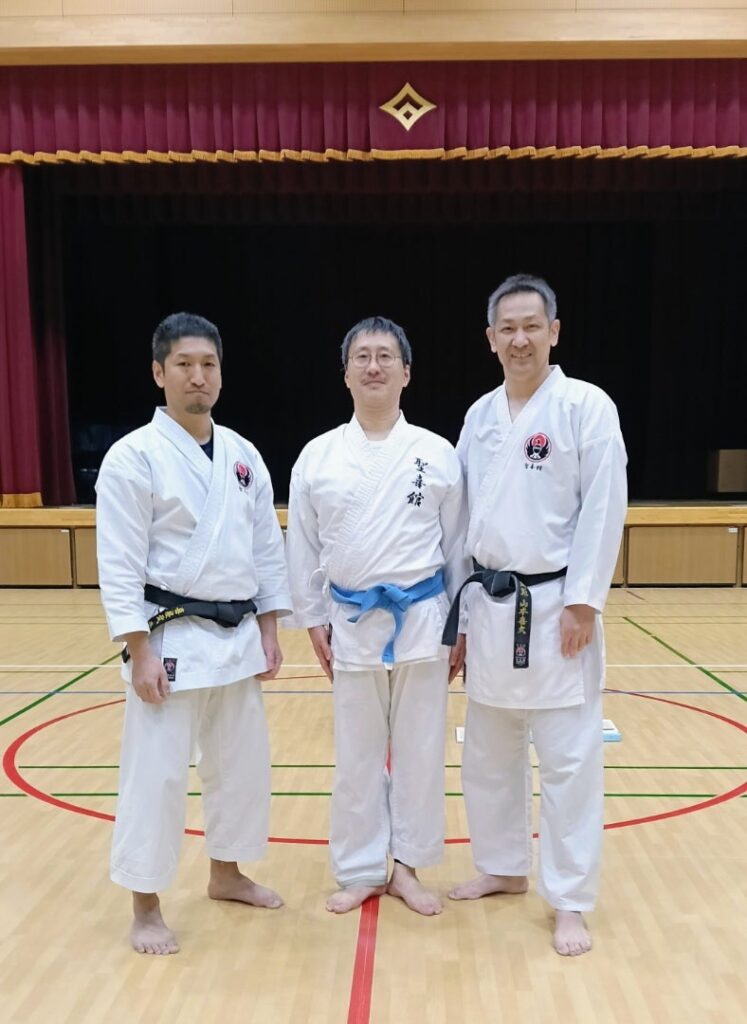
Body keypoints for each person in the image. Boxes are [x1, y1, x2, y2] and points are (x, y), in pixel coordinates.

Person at [96, 312, 292, 955]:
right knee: (156, 776)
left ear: (221, 374)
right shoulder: (133, 457)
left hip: (236, 637)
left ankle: (226, 873)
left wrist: (270, 627)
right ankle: (145, 905)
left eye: (208, 364)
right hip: (170, 638)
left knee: (240, 766)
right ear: (159, 373)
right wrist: (138, 649)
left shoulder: (243, 455)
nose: (198, 376)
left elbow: (266, 547)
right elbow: (120, 562)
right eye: (183, 364)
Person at [444, 274, 627, 956]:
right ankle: (503, 867)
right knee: (488, 755)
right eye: (507, 328)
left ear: (553, 331)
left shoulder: (585, 407)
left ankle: (570, 899)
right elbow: (460, 521)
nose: (519, 339)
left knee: (567, 760)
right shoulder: (479, 416)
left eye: (531, 326)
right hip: (490, 606)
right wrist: (460, 621)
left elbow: (604, 506)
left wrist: (583, 601)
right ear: (490, 339)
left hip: (555, 608)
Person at [285, 316, 469, 916]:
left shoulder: (436, 453)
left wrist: (460, 624)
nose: (373, 366)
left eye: (386, 356)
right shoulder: (318, 456)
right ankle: (363, 868)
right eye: (361, 356)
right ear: (345, 374)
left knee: (420, 750)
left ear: (406, 372)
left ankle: (408, 867)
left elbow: (458, 546)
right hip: (351, 621)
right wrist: (312, 618)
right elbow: (302, 545)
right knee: (356, 755)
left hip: (424, 621)